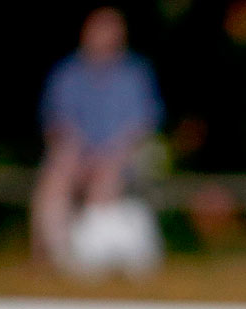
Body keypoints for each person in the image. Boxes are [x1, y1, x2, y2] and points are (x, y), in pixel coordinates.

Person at [31, 7, 164, 267]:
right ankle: (60, 260)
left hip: (122, 158)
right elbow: (58, 124)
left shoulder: (134, 75)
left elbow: (141, 128)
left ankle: (93, 261)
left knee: (106, 179)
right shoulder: (68, 74)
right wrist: (77, 155)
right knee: (55, 180)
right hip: (78, 156)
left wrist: (111, 158)